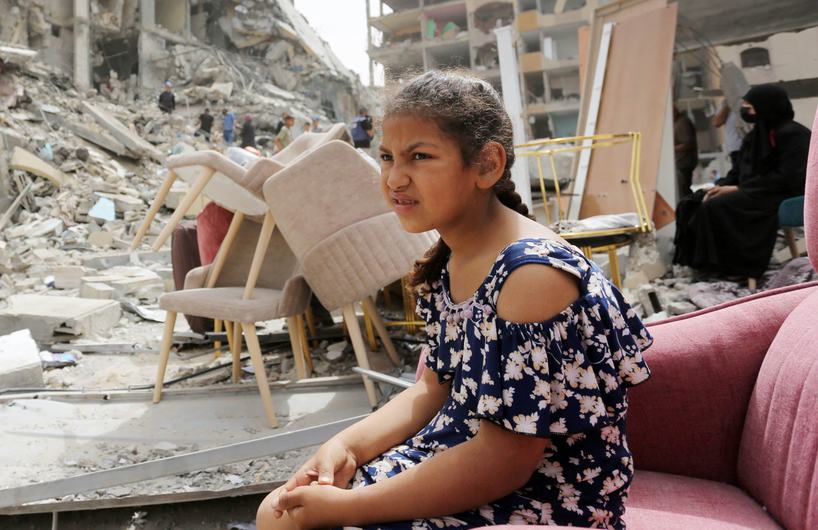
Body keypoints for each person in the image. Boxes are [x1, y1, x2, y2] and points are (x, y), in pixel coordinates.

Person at [257, 70, 653, 530]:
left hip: (544, 494)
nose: (395, 178)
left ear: (486, 164)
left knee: (301, 521)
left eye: (420, 157)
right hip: (460, 450)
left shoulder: (529, 275)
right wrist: (344, 446)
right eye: (386, 157)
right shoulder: (451, 259)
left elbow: (506, 460)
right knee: (281, 510)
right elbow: (434, 386)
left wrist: (349, 507)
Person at [674, 84, 811, 280]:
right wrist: (720, 185)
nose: (746, 111)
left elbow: (789, 177)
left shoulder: (794, 134)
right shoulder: (755, 136)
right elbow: (739, 170)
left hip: (779, 195)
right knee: (692, 202)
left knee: (717, 206)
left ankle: (734, 268)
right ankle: (702, 264)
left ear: (767, 106)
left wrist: (738, 188)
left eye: (750, 107)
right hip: (753, 190)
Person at [673, 106, 699, 200]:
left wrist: (672, 149)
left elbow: (688, 143)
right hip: (682, 162)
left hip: (684, 162)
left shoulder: (682, 123)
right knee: (683, 189)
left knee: (684, 189)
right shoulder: (677, 123)